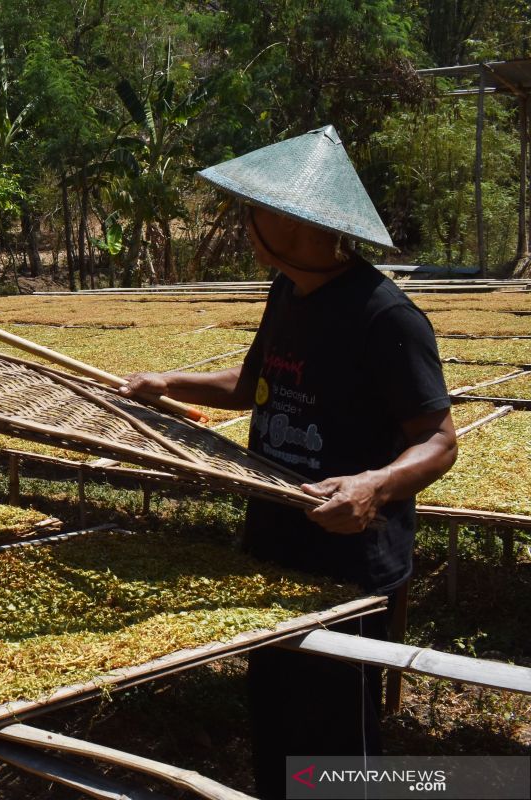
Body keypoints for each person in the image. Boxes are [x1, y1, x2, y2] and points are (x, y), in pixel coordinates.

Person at [119, 125, 458, 799]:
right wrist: (166, 383)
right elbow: (251, 385)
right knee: (276, 712)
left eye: (255, 209)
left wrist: (375, 484)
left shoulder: (386, 317)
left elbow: (440, 439)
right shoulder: (287, 292)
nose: (245, 222)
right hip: (275, 540)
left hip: (346, 559)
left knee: (337, 740)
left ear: (295, 221)